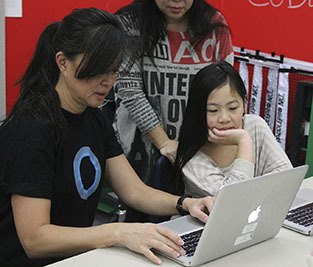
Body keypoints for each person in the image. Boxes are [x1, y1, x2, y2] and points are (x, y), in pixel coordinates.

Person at [0, 8, 215, 267]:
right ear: (62, 61)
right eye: (97, 70)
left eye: (113, 71)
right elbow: (34, 239)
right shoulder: (32, 128)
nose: (107, 82)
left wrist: (187, 203)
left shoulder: (95, 117)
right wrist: (116, 233)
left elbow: (134, 191)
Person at [113, 0, 233, 222]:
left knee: (196, 221)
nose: (176, 2)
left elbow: (226, 86)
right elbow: (130, 90)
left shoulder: (214, 25)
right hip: (142, 151)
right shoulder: (129, 24)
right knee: (141, 220)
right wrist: (164, 142)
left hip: (198, 148)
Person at [173, 61, 293, 198]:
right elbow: (234, 199)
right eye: (212, 110)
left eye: (233, 108)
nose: (224, 118)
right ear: (197, 111)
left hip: (259, 213)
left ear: (244, 104)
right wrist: (244, 141)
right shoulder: (190, 153)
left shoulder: (255, 125)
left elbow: (286, 176)